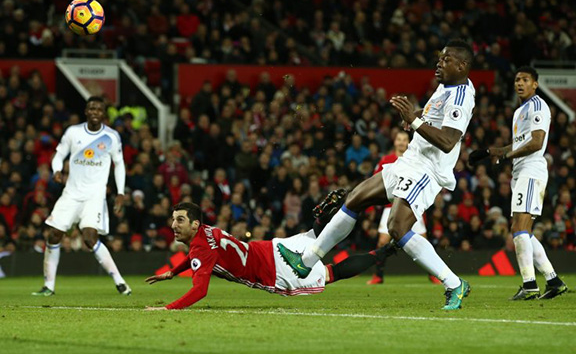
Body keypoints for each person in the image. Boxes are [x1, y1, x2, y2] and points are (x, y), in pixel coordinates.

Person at [278, 39, 476, 310]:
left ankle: (454, 283)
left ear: (462, 65)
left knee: (397, 227)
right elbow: (432, 117)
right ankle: (307, 261)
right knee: (356, 197)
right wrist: (414, 116)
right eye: (439, 58)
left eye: (446, 59)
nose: (439, 63)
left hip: (427, 170)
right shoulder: (446, 87)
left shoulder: (461, 97)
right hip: (411, 160)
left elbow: (448, 141)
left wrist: (415, 120)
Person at [145, 195, 394, 310]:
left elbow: (200, 290)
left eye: (179, 220)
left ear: (194, 225)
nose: (173, 225)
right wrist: (173, 272)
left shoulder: (200, 248)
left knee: (331, 273)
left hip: (272, 271)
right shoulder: (207, 233)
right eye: (173, 220)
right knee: (316, 237)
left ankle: (386, 250)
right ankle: (325, 218)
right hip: (272, 247)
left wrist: (167, 309)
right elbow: (199, 257)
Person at [469, 66, 568, 300]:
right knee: (524, 231)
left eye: (525, 80)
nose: (519, 83)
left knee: (518, 228)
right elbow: (518, 144)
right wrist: (490, 151)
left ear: (535, 84)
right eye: (516, 80)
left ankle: (529, 284)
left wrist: (504, 156)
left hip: (531, 170)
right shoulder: (519, 111)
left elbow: (536, 143)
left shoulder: (537, 106)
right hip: (520, 172)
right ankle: (553, 281)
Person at [32, 96, 131, 296]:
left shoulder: (111, 137)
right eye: (91, 108)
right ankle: (48, 286)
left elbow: (119, 164)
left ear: (103, 114)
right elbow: (59, 155)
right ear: (86, 111)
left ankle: (120, 282)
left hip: (94, 196)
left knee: (89, 238)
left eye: (98, 109)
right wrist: (57, 170)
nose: (94, 112)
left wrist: (120, 192)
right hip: (71, 193)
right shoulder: (73, 132)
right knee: (53, 234)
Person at [367, 130, 429, 285]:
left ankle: (433, 275)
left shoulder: (415, 159)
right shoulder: (386, 160)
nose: (401, 142)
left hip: (411, 204)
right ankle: (378, 276)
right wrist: (371, 209)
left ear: (409, 142)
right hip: (390, 206)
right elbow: (374, 182)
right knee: (382, 241)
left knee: (423, 240)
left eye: (404, 139)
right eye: (399, 139)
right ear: (394, 142)